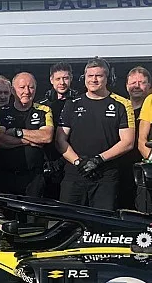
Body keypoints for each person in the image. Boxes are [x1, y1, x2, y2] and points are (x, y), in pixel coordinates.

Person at [56, 58, 135, 210]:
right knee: (68, 224)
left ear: (107, 78)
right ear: (84, 78)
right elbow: (60, 140)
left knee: (101, 227)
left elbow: (128, 142)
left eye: (98, 76)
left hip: (105, 176)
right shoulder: (72, 103)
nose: (94, 79)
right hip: (75, 174)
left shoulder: (122, 104)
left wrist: (99, 160)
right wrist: (79, 162)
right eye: (90, 76)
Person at [0, 72, 53, 199]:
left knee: (32, 218)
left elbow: (46, 137)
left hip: (34, 177)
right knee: (6, 218)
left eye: (31, 87)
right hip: (5, 176)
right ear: (13, 90)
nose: (27, 91)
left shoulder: (43, 110)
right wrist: (29, 141)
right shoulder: (1, 112)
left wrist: (17, 132)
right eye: (22, 87)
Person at [39, 62, 79, 200]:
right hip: (48, 162)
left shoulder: (79, 103)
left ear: (71, 78)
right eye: (58, 79)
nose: (62, 82)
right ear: (51, 80)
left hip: (71, 161)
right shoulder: (42, 105)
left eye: (65, 78)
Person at [118, 66, 152, 208]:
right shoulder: (119, 109)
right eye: (133, 83)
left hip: (146, 167)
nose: (136, 86)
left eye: (142, 82)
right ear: (126, 86)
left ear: (149, 86)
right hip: (121, 168)